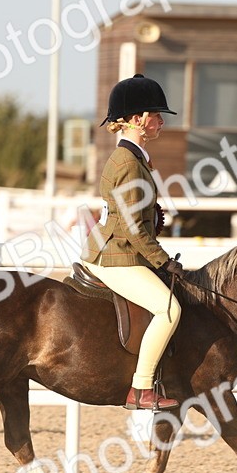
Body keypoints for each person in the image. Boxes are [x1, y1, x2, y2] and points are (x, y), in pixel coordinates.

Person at [81, 74, 185, 410]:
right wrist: (163, 261)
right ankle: (141, 390)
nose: (160, 122)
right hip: (116, 255)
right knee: (169, 309)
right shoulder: (128, 163)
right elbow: (133, 229)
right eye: (156, 115)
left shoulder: (134, 158)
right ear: (138, 120)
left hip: (121, 248)